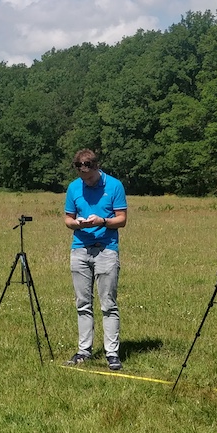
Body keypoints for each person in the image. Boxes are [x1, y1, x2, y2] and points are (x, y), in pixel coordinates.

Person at [62, 148, 128, 371]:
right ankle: (84, 351)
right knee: (83, 304)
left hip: (106, 249)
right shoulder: (73, 187)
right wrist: (77, 223)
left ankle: (112, 353)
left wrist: (102, 221)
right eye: (82, 177)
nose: (86, 181)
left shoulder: (114, 186)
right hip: (79, 249)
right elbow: (67, 219)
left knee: (108, 303)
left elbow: (122, 220)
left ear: (96, 167)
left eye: (89, 177)